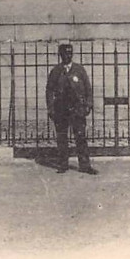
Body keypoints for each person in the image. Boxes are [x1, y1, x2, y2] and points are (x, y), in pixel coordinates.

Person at [46, 43, 98, 174]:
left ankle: (85, 166)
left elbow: (88, 89)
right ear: (60, 54)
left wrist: (88, 105)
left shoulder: (79, 70)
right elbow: (49, 91)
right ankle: (63, 164)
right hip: (61, 109)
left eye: (70, 53)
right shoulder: (56, 71)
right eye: (65, 53)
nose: (68, 55)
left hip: (77, 109)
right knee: (62, 138)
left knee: (80, 137)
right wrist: (51, 109)